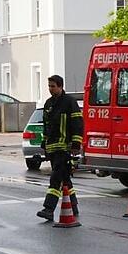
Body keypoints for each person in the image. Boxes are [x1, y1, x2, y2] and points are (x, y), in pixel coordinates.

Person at [36, 75, 84, 221]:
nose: (50, 89)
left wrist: (76, 144)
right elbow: (46, 126)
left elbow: (77, 123)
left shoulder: (69, 102)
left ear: (60, 86)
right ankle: (73, 206)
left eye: (53, 86)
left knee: (55, 178)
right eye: (49, 86)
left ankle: (48, 209)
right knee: (65, 179)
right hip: (52, 148)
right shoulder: (48, 103)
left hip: (64, 148)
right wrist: (44, 143)